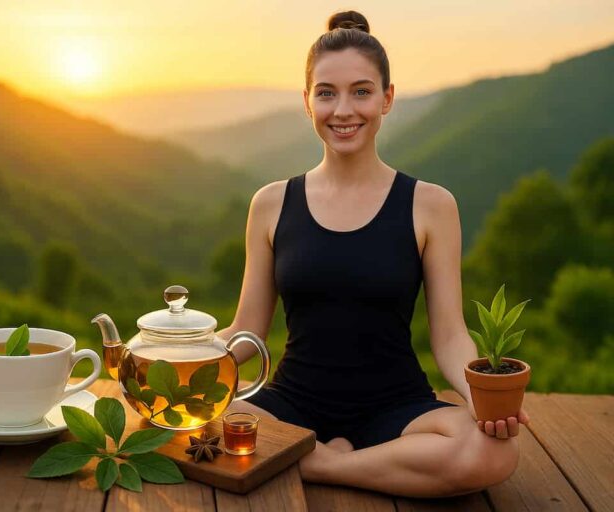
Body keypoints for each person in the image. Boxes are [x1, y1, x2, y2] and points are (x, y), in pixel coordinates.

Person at [217, 10, 529, 498]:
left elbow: (449, 336)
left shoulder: (431, 205)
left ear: (387, 98)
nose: (343, 110)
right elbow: (245, 332)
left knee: (493, 451)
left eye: (361, 91)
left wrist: (483, 400)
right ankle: (351, 463)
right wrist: (175, 358)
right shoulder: (271, 203)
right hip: (291, 404)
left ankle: (318, 464)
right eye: (327, 93)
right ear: (307, 102)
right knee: (196, 426)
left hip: (397, 406)